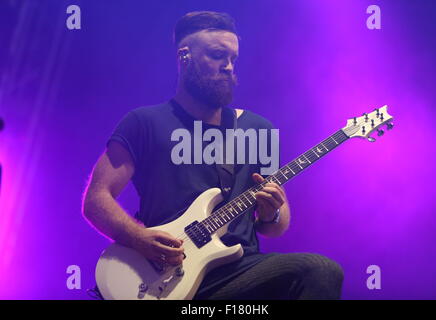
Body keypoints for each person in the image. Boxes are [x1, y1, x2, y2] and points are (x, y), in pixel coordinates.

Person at [82, 11, 344, 300]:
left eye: (233, 59)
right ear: (185, 56)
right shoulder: (144, 122)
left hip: (239, 271)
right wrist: (137, 238)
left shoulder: (258, 128)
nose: (228, 67)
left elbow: (275, 228)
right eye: (218, 55)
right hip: (166, 273)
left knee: (321, 270)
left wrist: (272, 211)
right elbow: (96, 199)